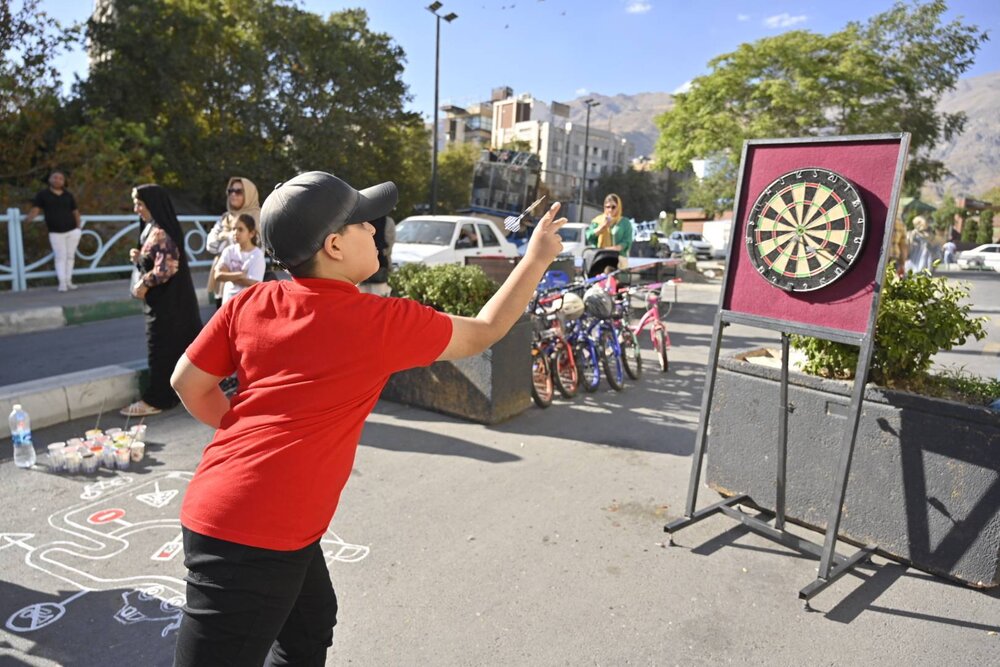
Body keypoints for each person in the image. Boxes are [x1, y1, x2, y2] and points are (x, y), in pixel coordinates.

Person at [169, 171, 566, 665]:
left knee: (310, 625)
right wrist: (537, 256)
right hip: (254, 529)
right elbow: (484, 331)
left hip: (235, 505)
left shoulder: (251, 302)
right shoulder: (378, 322)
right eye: (362, 223)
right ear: (334, 245)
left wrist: (248, 442)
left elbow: (187, 383)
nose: (375, 230)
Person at [120, 184, 203, 417]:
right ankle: (182, 393)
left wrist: (144, 284)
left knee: (161, 350)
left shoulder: (160, 232)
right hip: (166, 305)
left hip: (167, 307)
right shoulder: (153, 228)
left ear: (152, 205)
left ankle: (157, 399)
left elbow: (167, 268)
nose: (136, 209)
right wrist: (140, 258)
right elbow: (158, 259)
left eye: (140, 204)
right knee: (174, 348)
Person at [206, 177, 261, 307]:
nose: (233, 194)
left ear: (248, 193)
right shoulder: (226, 217)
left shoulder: (257, 217)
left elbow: (256, 244)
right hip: (223, 284)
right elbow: (211, 245)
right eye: (230, 191)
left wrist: (223, 236)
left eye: (239, 191)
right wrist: (229, 237)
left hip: (248, 285)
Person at [24, 170, 83, 292]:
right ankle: (62, 283)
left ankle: (69, 280)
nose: (57, 180)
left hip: (72, 230)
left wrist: (78, 228)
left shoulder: (68, 195)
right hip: (55, 231)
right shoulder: (43, 195)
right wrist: (27, 219)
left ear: (64, 181)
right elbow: (36, 209)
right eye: (55, 178)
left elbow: (75, 212)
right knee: (60, 257)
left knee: (70, 256)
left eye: (60, 178)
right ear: (50, 180)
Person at [214, 213, 266, 305]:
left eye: (240, 229)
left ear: (251, 233)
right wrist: (240, 274)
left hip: (246, 304)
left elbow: (254, 283)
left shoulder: (257, 255)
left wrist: (228, 275)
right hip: (228, 302)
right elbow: (218, 275)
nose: (235, 233)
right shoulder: (229, 251)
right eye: (234, 229)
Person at [585, 193, 634, 269]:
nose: (610, 210)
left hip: (618, 260)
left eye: (613, 207)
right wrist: (602, 227)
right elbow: (589, 236)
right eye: (607, 207)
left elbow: (627, 242)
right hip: (599, 259)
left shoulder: (624, 223)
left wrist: (612, 249)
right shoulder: (598, 221)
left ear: (618, 207)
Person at [358, 215, 395, 296]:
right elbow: (389, 245)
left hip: (361, 266)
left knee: (362, 299)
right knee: (379, 298)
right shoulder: (387, 221)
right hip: (380, 264)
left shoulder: (359, 220)